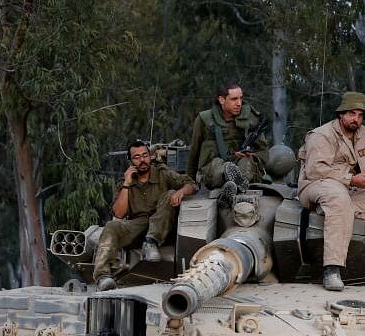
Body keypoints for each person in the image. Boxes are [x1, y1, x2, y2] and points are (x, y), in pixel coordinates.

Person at [298, 91, 365, 291]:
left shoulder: (364, 135)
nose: (356, 119)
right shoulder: (322, 135)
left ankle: (336, 210)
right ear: (341, 114)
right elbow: (315, 170)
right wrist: (350, 178)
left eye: (360, 115)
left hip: (349, 191)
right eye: (352, 114)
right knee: (337, 197)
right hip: (315, 185)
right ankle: (332, 269)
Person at [92, 140, 196, 290]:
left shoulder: (163, 174)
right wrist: (127, 184)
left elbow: (191, 184)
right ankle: (103, 276)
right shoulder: (125, 183)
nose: (142, 160)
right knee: (111, 226)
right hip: (138, 226)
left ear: (151, 156)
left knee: (170, 193)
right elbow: (119, 213)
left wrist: (181, 192)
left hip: (165, 226)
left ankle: (151, 241)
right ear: (131, 161)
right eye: (137, 157)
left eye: (145, 155)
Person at [186, 82, 269, 204]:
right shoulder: (205, 119)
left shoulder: (251, 119)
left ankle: (233, 187)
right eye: (234, 99)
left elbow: (264, 152)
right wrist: (189, 183)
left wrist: (251, 156)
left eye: (241, 98)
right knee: (219, 165)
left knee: (246, 163)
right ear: (222, 100)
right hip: (215, 170)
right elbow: (194, 153)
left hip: (245, 167)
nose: (239, 103)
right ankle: (230, 180)